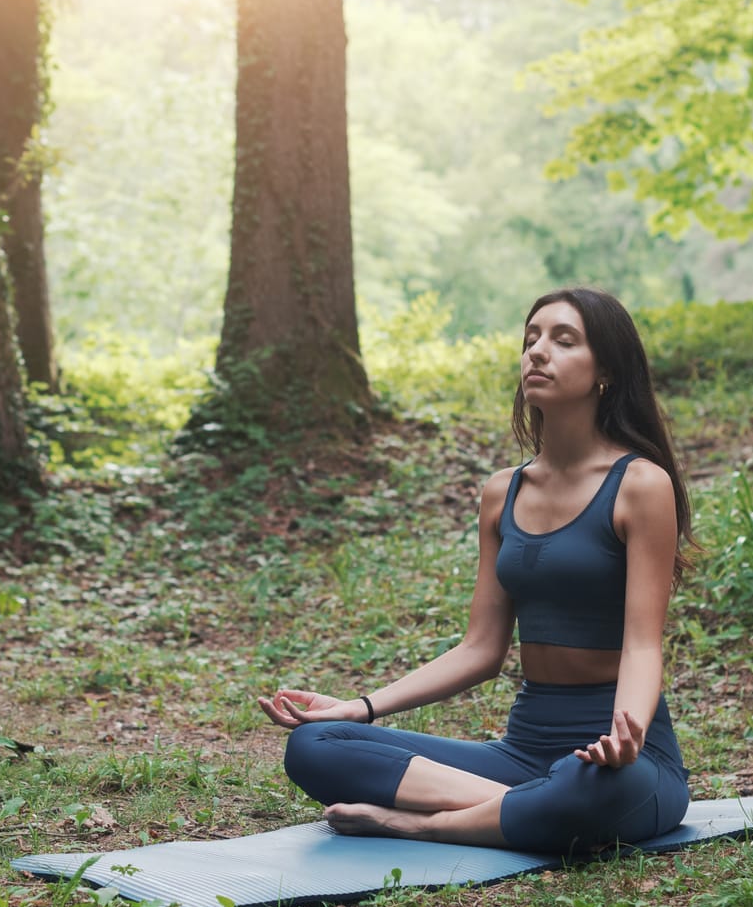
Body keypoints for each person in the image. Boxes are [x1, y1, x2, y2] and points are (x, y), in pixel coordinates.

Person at [257, 287, 693, 855]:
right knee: (316, 744)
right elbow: (481, 649)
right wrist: (360, 708)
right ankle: (523, 808)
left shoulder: (640, 485)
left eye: (563, 340)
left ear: (605, 369)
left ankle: (422, 822)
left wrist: (624, 735)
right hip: (522, 753)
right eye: (530, 339)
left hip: (623, 760)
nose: (538, 352)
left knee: (591, 788)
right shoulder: (501, 493)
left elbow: (641, 645)